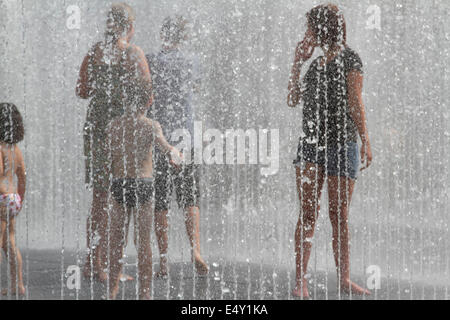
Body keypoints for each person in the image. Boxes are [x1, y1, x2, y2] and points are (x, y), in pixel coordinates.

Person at [287, 4, 373, 298]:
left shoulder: (351, 59)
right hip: (310, 145)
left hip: (342, 144)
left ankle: (344, 278)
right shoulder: (314, 65)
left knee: (339, 215)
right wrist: (297, 62)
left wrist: (365, 139)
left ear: (323, 28)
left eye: (310, 27)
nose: (307, 33)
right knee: (308, 213)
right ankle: (301, 281)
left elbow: (355, 102)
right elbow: (292, 99)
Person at [76, 3, 151, 282]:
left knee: (99, 198)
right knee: (118, 198)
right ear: (130, 28)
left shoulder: (94, 53)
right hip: (122, 134)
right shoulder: (133, 54)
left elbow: (81, 90)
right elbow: (147, 95)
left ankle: (92, 261)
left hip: (96, 130)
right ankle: (108, 266)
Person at [146, 15, 208, 277]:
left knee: (161, 200)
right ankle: (195, 250)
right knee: (189, 198)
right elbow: (195, 85)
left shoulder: (151, 60)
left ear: (163, 34)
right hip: (186, 138)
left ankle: (163, 261)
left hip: (159, 137)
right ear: (183, 37)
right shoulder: (191, 61)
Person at [106, 85, 181, 300]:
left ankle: (112, 292)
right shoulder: (151, 125)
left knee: (117, 242)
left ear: (123, 98)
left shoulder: (114, 126)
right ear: (149, 101)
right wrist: (177, 156)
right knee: (143, 243)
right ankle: (145, 294)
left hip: (120, 184)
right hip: (143, 185)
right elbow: (166, 148)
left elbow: (107, 160)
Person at [0, 103, 26, 297]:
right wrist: (20, 201)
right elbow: (22, 176)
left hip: (1, 199)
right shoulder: (15, 149)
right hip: (13, 198)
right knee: (10, 242)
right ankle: (18, 285)